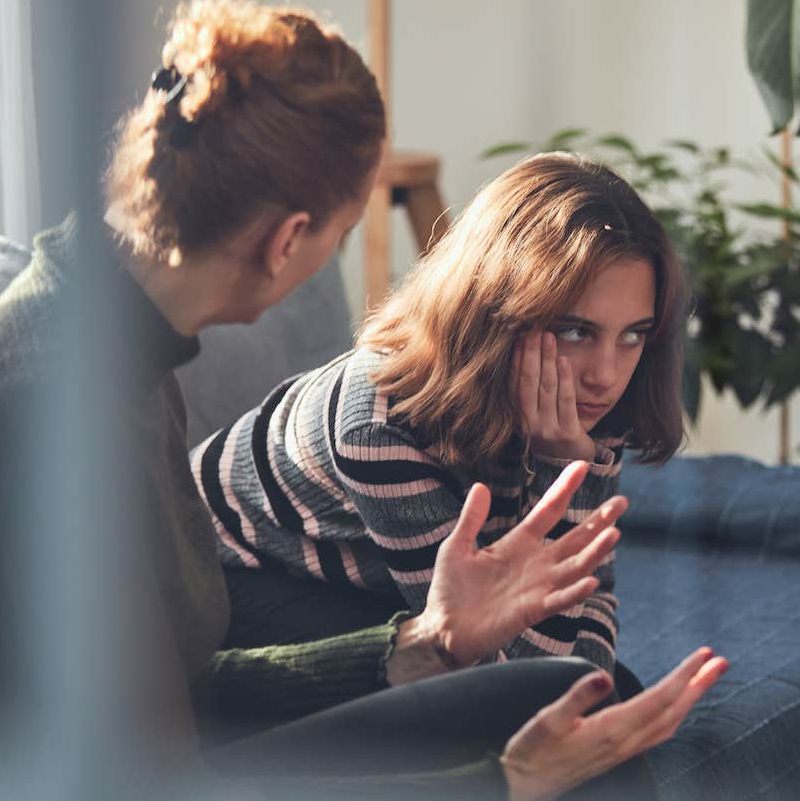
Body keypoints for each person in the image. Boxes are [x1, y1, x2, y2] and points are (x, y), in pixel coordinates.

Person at [0, 0, 726, 801]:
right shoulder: (48, 409)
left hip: (151, 772)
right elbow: (150, 796)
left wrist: (422, 645)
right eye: (346, 230)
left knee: (582, 703)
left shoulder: (117, 353)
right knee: (572, 758)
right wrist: (500, 786)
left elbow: (184, 691)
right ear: (289, 241)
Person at [192, 152, 685, 680]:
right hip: (229, 578)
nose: (606, 376)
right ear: (497, 311)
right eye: (574, 331)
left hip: (381, 582)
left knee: (608, 692)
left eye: (633, 334)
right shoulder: (380, 425)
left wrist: (566, 465)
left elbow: (590, 601)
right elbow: (498, 669)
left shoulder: (583, 403)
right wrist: (563, 471)